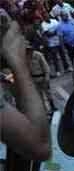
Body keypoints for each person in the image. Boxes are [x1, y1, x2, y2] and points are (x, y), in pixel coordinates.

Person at [0, 19, 50, 160]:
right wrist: (17, 62)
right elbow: (39, 145)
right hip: (29, 83)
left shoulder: (37, 56)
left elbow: (45, 67)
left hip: (38, 79)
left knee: (44, 96)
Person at [26, 43, 56, 111]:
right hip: (34, 79)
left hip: (42, 77)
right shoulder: (26, 58)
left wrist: (47, 78)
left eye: (29, 49)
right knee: (39, 96)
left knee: (48, 93)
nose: (28, 51)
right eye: (27, 49)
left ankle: (52, 106)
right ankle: (44, 110)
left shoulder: (38, 55)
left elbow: (45, 67)